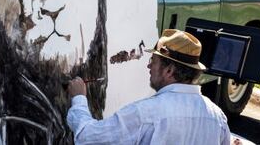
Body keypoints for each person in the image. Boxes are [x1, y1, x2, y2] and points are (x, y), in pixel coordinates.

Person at [67, 29, 231, 144]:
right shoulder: (217, 117)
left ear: (169, 70)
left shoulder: (146, 113)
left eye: (153, 61)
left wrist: (79, 98)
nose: (148, 66)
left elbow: (88, 137)